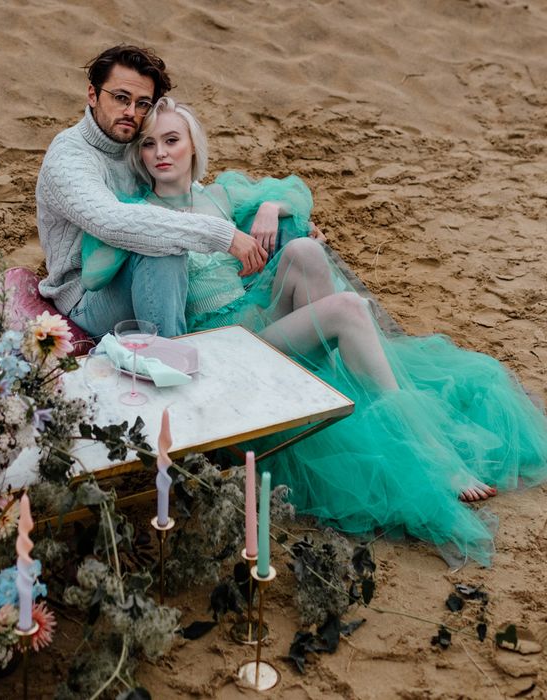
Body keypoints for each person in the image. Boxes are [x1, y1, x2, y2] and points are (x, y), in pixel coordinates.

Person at [83, 97, 547, 567]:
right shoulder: (138, 208)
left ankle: (340, 389)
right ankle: (429, 451)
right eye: (148, 144)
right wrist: (155, 228)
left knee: (305, 249)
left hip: (254, 317)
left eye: (171, 140)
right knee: (347, 308)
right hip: (221, 344)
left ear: (192, 146)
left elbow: (297, 191)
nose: (160, 152)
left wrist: (270, 205)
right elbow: (94, 268)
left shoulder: (220, 196)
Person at [34, 45, 267, 339]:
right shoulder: (69, 156)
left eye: (142, 103)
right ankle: (170, 360)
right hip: (86, 300)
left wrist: (278, 214)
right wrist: (223, 235)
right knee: (161, 249)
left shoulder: (131, 139)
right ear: (92, 94)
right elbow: (109, 222)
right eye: (120, 98)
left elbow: (182, 187)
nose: (131, 112)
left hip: (138, 279)